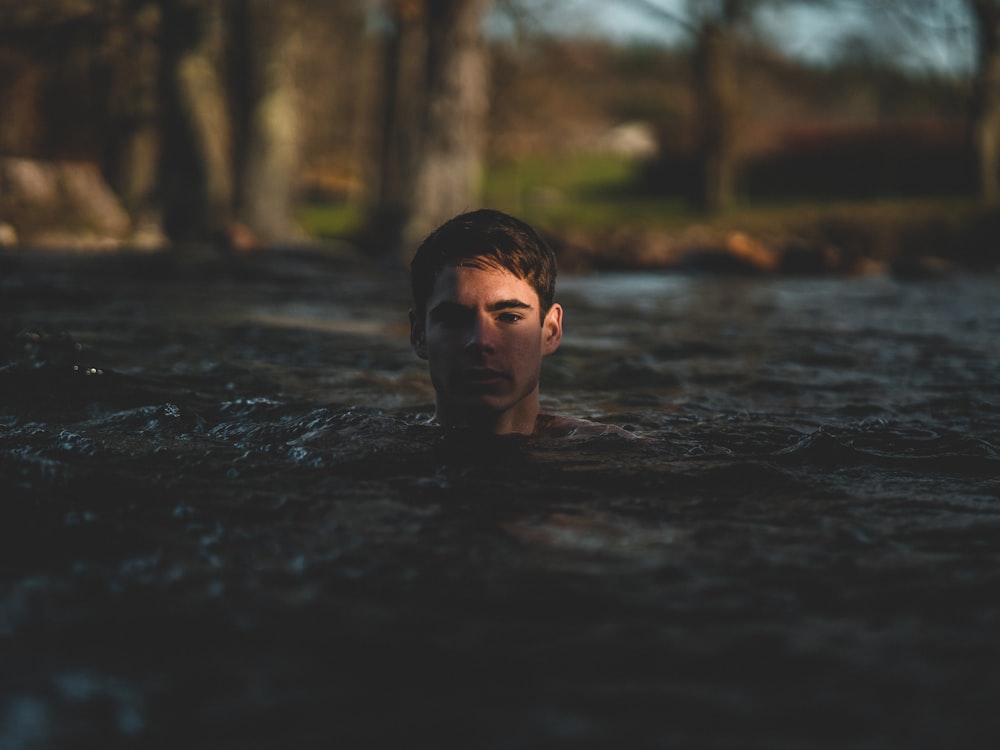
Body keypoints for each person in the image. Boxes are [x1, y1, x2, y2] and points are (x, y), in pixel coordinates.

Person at [409, 208, 636, 439]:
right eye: (454, 319)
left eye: (510, 317)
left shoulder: (616, 454)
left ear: (551, 331)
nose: (480, 341)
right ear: (419, 334)